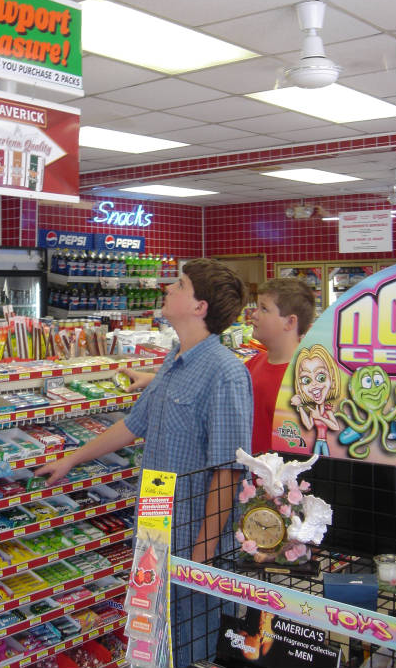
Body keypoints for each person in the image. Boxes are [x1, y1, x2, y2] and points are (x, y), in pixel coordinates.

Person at [37, 258, 253, 667]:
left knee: (193, 642)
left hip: (191, 536)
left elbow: (228, 470)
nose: (168, 287)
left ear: (199, 307)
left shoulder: (225, 372)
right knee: (152, 638)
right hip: (154, 523)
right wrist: (71, 458)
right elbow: (133, 425)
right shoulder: (174, 360)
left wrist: (202, 556)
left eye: (181, 284)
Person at [247, 278, 316, 454]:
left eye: (264, 309)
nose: (254, 314)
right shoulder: (249, 367)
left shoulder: (307, 381)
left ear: (290, 322)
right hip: (245, 478)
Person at [290, 343, 340, 455]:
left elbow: (335, 426)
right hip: (318, 442)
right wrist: (300, 407)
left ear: (331, 374)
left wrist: (320, 418)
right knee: (314, 462)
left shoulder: (328, 410)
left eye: (321, 377)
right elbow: (308, 425)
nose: (314, 385)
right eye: (306, 380)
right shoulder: (313, 410)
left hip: (324, 442)